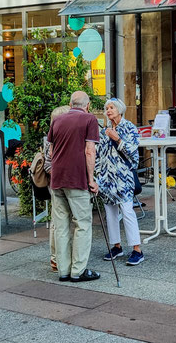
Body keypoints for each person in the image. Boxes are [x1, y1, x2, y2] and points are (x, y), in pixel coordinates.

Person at [48, 91, 100, 282]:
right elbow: (89, 151)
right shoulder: (90, 120)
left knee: (61, 226)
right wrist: (91, 179)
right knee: (82, 224)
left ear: (70, 104)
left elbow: (52, 151)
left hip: (57, 179)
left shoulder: (57, 120)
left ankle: (63, 270)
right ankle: (78, 270)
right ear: (87, 105)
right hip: (77, 179)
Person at [95, 98, 143, 265]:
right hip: (106, 179)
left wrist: (118, 139)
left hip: (124, 178)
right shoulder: (104, 131)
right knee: (110, 212)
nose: (108, 111)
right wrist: (97, 176)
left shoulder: (129, 128)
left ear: (120, 110)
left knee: (127, 211)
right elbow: (98, 154)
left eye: (111, 107)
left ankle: (137, 249)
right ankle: (116, 246)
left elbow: (134, 154)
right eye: (106, 108)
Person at [46, 105, 71, 273]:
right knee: (58, 222)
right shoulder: (55, 139)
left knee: (58, 222)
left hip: (57, 182)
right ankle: (56, 258)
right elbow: (49, 164)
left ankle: (57, 258)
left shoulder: (54, 137)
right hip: (59, 183)